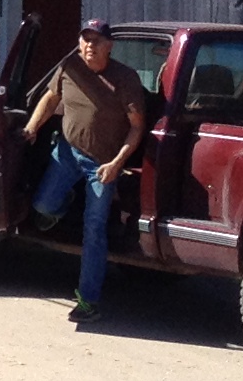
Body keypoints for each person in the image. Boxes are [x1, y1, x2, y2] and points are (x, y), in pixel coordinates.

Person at [22, 18, 151, 325]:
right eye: (86, 39)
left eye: (97, 40)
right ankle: (63, 204)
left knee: (94, 230)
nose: (90, 45)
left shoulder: (125, 78)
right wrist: (31, 127)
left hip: (102, 165)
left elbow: (137, 127)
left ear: (109, 46)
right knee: (42, 206)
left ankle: (88, 301)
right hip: (67, 152)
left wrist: (116, 164)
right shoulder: (69, 67)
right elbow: (50, 98)